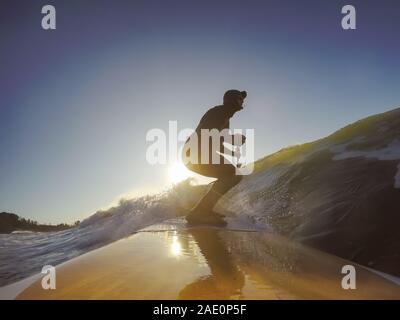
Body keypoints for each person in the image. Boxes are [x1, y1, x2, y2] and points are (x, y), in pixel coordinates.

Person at [182, 89, 247, 226]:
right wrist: (233, 141)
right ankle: (199, 213)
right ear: (233, 100)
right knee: (234, 174)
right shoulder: (218, 113)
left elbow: (217, 143)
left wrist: (232, 153)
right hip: (194, 154)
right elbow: (209, 140)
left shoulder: (225, 117)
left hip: (197, 154)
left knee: (232, 173)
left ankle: (204, 210)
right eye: (240, 98)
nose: (243, 101)